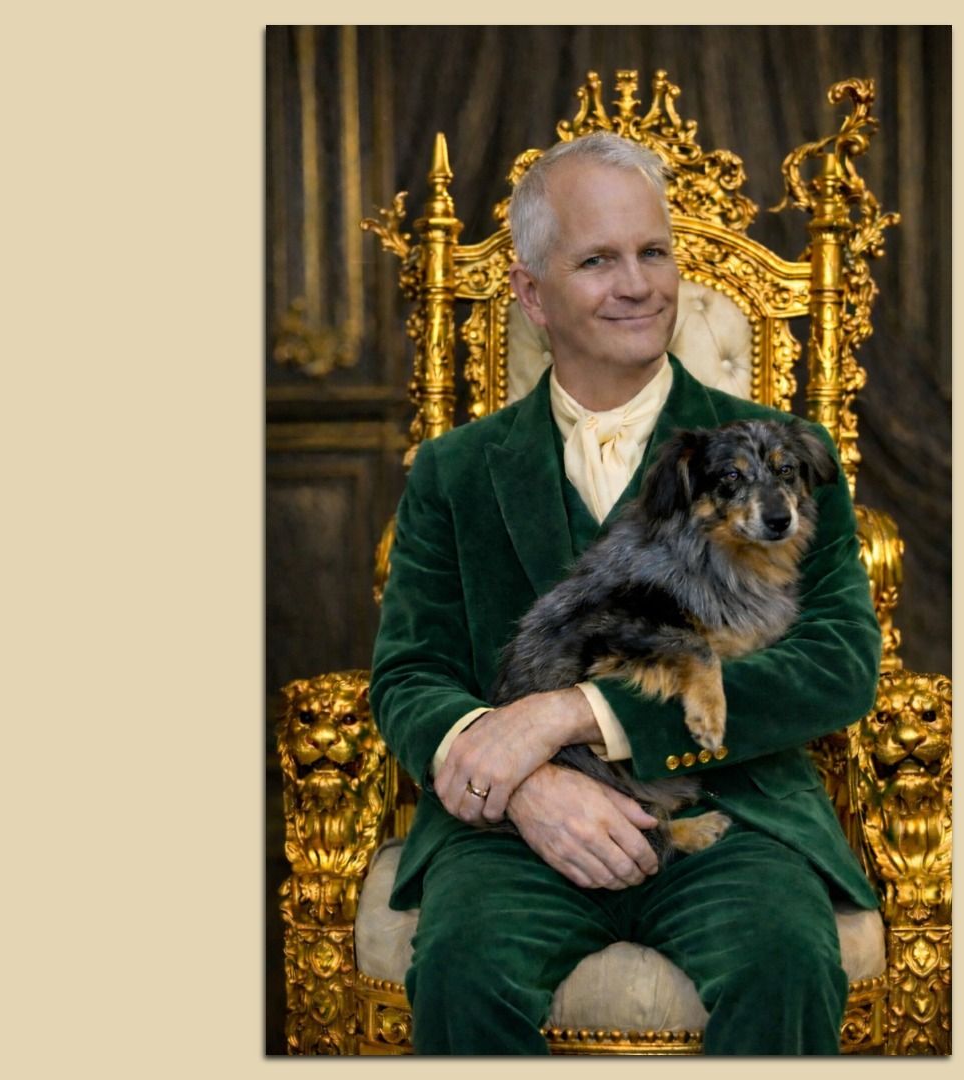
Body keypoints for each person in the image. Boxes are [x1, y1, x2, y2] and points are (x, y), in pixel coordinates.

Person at [368, 132, 882, 1054]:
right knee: (462, 971)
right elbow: (410, 675)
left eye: (654, 252)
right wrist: (523, 781)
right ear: (532, 293)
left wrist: (580, 714)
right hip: (515, 833)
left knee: (785, 963)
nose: (638, 285)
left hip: (737, 815)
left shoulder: (786, 455)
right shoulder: (453, 472)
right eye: (598, 260)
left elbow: (836, 665)